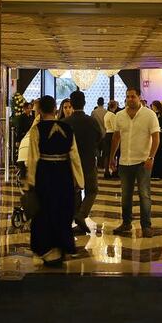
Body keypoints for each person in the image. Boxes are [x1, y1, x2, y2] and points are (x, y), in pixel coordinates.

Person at [26, 95, 84, 266]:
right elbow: (74, 156)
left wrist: (30, 182)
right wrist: (79, 181)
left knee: (45, 211)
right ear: (54, 108)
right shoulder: (67, 128)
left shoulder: (37, 129)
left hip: (45, 173)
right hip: (63, 173)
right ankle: (61, 247)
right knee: (62, 210)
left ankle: (47, 249)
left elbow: (33, 157)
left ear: (40, 111)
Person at [109, 87, 160, 238]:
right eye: (128, 97)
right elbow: (116, 138)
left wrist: (151, 157)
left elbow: (156, 137)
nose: (130, 99)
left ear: (139, 97)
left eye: (133, 97)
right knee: (126, 195)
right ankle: (126, 223)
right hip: (125, 162)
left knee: (144, 194)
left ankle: (146, 226)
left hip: (143, 161)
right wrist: (112, 157)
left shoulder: (149, 115)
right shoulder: (119, 115)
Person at [64, 90, 103, 235]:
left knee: (75, 190)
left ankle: (78, 218)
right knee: (92, 189)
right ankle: (81, 215)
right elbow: (99, 137)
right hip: (88, 160)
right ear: (84, 103)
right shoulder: (91, 121)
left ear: (72, 104)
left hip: (70, 163)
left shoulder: (65, 122)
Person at [103, 100, 119, 178]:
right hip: (112, 134)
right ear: (115, 106)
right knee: (113, 154)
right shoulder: (112, 115)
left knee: (107, 154)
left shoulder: (106, 114)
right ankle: (113, 171)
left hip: (107, 134)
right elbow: (115, 127)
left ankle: (106, 171)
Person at [91, 97, 108, 165]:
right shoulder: (106, 112)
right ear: (103, 103)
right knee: (104, 150)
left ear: (97, 103)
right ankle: (102, 164)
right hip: (105, 133)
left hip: (96, 134)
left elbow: (92, 123)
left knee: (97, 150)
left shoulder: (94, 112)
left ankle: (98, 163)